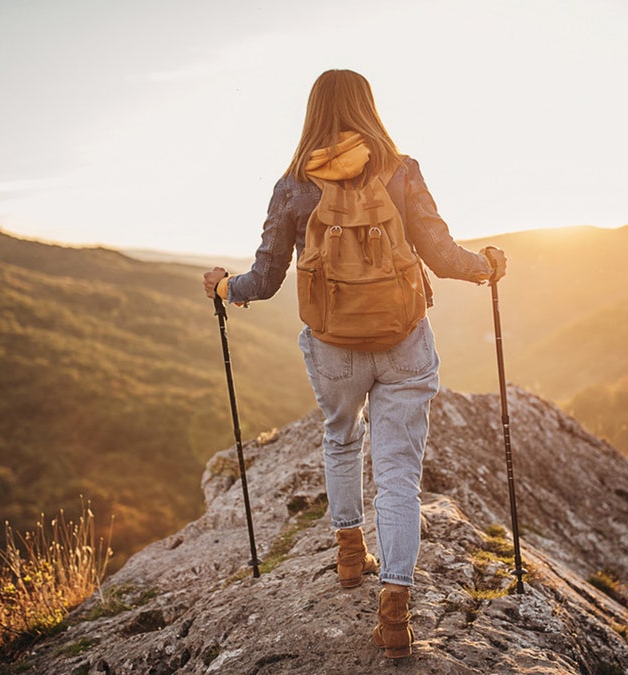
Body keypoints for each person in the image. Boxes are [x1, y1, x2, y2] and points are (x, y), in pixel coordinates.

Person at [202, 68, 506, 659]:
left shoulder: (293, 185)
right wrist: (486, 266)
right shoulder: (401, 169)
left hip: (334, 344)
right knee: (398, 473)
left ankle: (348, 555)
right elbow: (441, 254)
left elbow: (263, 280)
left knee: (341, 437)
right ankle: (394, 611)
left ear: (313, 113)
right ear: (369, 107)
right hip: (403, 340)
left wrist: (223, 289)